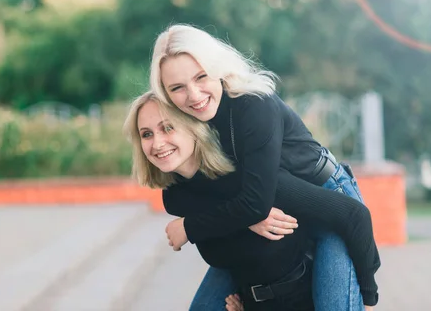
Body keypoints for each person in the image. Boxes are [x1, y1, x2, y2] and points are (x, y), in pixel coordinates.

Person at [149, 24, 381, 310]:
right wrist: (247, 213)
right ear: (166, 93)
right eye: (177, 88)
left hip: (327, 202)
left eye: (201, 77)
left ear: (218, 68)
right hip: (272, 203)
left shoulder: (254, 106)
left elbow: (350, 215)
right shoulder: (191, 124)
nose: (194, 95)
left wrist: (191, 226)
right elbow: (177, 195)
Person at [124, 92, 315, 310]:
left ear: (193, 129)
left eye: (168, 127)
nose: (157, 143)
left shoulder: (250, 180)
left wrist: (192, 226)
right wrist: (248, 218)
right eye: (146, 134)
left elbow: (345, 214)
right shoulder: (177, 199)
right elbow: (240, 259)